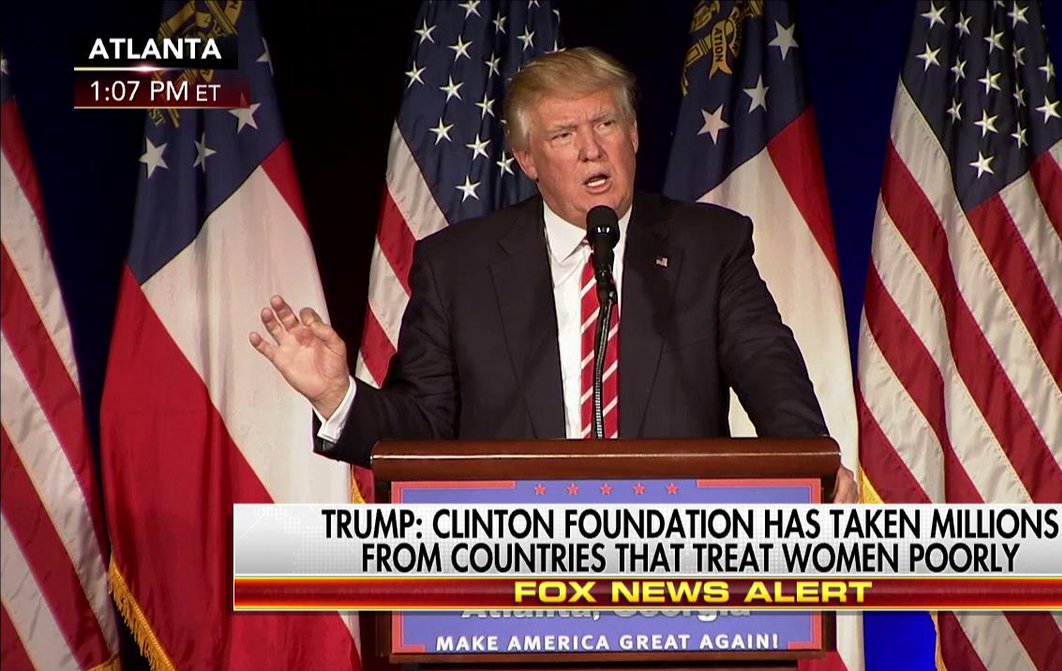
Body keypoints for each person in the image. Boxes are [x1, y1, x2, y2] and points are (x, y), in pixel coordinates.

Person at [250, 47, 857, 503]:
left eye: (606, 124)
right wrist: (336, 395)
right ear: (528, 160)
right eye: (564, 135)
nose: (591, 149)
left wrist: (815, 469)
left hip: (683, 575)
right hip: (506, 583)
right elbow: (424, 429)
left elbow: (773, 378)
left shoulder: (710, 246)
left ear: (634, 134)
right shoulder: (458, 268)